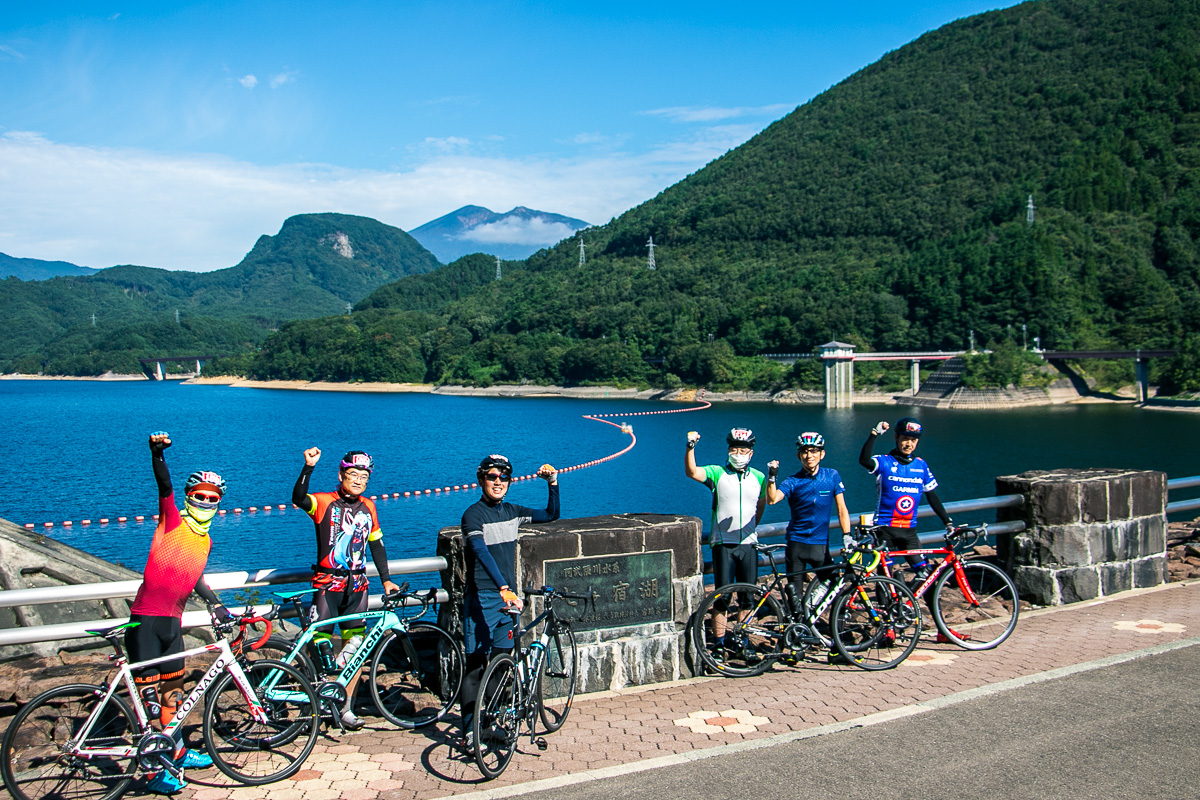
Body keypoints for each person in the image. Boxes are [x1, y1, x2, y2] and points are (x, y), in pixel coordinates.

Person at [127, 431, 229, 795]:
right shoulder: (172, 520)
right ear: (189, 498)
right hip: (146, 621)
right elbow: (164, 486)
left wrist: (215, 602)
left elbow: (193, 574)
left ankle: (179, 750)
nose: (205, 502)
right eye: (199, 496)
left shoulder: (206, 539)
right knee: (149, 704)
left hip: (173, 623)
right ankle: (153, 771)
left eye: (212, 499)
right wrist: (157, 454)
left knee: (173, 691)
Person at [292, 448, 400, 730]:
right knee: (320, 647)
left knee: (357, 649)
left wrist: (386, 579)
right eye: (353, 474)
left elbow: (376, 543)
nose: (359, 480)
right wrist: (308, 467)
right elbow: (298, 498)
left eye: (364, 476)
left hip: (358, 586)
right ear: (341, 475)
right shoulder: (324, 502)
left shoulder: (369, 506)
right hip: (328, 585)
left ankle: (346, 708)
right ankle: (314, 707)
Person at [459, 454, 559, 745]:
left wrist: (552, 483)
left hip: (508, 599)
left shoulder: (513, 512)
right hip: (482, 598)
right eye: (492, 477)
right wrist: (503, 586)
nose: (498, 482)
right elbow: (480, 551)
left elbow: (551, 515)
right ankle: (469, 730)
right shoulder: (472, 515)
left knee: (503, 662)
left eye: (504, 477)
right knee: (476, 665)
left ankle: (490, 723)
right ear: (481, 480)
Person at [685, 428, 767, 661]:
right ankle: (719, 644)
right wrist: (690, 447)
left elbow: (761, 504)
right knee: (722, 597)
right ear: (728, 450)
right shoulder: (717, 473)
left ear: (751, 453)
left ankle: (743, 642)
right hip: (723, 544)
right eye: (734, 449)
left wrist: (752, 527)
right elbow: (691, 471)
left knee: (747, 598)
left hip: (748, 544)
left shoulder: (759, 477)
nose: (738, 453)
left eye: (743, 450)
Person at [859, 416, 955, 592]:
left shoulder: (921, 466)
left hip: (909, 531)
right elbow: (864, 460)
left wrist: (947, 521)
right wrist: (874, 434)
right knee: (885, 576)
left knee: (925, 573)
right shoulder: (885, 462)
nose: (908, 444)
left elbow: (932, 496)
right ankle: (884, 616)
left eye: (913, 440)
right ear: (896, 438)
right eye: (905, 439)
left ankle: (906, 606)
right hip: (885, 528)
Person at [765, 431, 852, 615]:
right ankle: (797, 635)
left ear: (822, 454)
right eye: (804, 451)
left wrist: (847, 535)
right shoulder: (793, 481)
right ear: (799, 455)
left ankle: (836, 636)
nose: (809, 455)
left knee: (836, 587)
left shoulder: (832, 476)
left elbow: (842, 509)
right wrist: (772, 477)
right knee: (794, 600)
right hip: (796, 545)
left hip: (820, 546)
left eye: (814, 451)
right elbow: (772, 499)